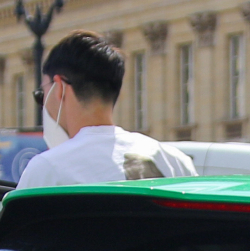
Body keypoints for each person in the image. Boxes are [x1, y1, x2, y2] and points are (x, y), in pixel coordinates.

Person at [13, 31, 198, 188]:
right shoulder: (177, 163)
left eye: (41, 94)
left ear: (59, 87)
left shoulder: (48, 170)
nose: (43, 104)